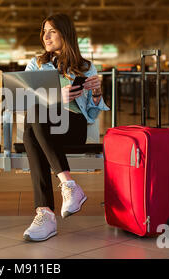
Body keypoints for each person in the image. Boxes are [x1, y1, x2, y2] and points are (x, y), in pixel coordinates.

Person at [22, 13, 109, 242]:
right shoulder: (36, 64)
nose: (46, 36)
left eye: (52, 31)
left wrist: (97, 93)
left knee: (32, 129)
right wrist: (55, 96)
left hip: (73, 126)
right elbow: (24, 99)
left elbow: (92, 112)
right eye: (44, 32)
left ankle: (46, 213)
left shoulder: (86, 67)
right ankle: (66, 188)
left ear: (65, 33)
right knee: (33, 118)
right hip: (45, 127)